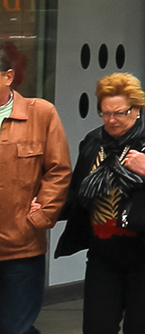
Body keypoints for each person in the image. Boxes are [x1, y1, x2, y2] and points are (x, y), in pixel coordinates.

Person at [56, 74, 145, 334]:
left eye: (119, 113)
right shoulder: (93, 142)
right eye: (105, 113)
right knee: (96, 327)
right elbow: (76, 194)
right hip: (104, 251)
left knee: (139, 327)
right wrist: (47, 209)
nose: (111, 120)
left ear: (137, 109)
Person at [0, 48, 70, 334]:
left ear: (8, 77)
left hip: (21, 247)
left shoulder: (40, 113)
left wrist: (39, 219)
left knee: (14, 326)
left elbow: (59, 170)